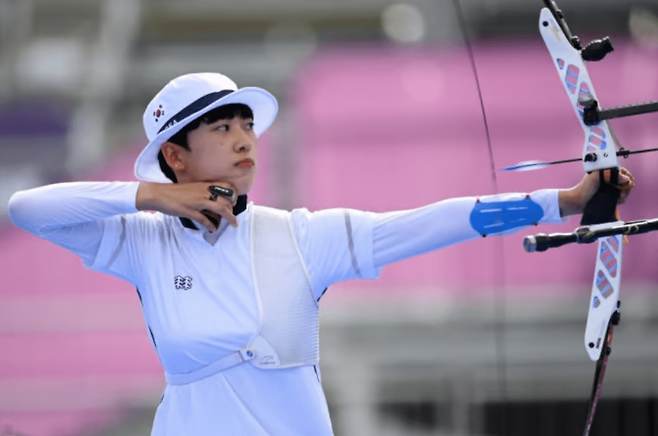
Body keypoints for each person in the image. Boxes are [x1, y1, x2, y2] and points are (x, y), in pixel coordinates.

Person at [7, 72, 634, 435]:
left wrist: (563, 201)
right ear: (176, 155)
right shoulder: (141, 241)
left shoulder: (302, 236)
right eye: (222, 128)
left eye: (247, 125)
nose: (245, 139)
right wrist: (152, 196)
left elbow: (434, 222)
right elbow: (26, 208)